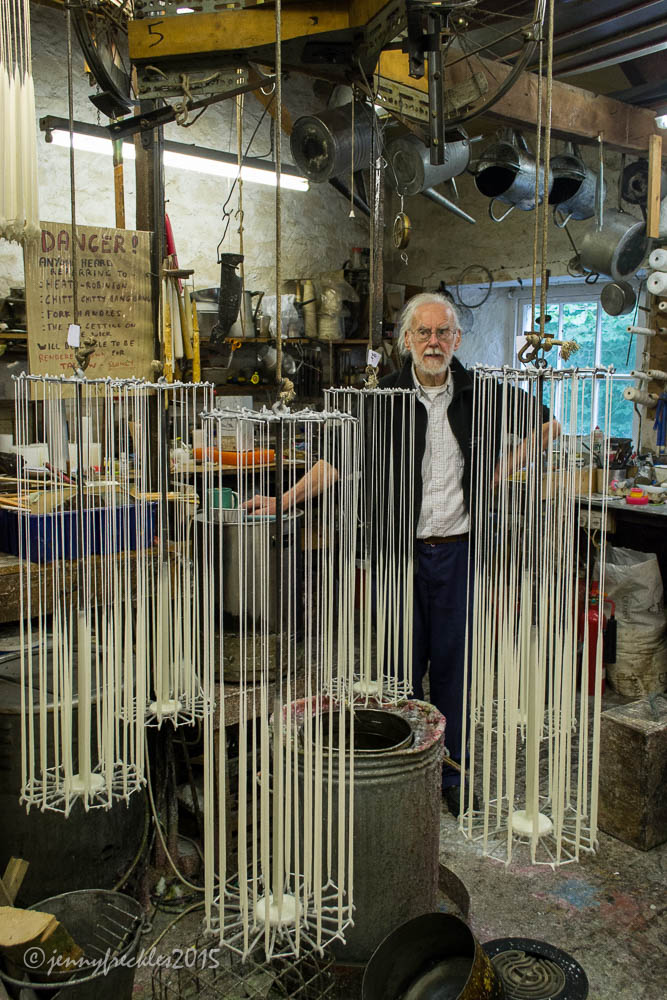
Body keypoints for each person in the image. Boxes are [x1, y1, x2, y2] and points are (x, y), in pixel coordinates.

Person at [246, 291, 554, 816]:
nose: (433, 342)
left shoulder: (480, 393)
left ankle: (452, 779)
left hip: (458, 554)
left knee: (456, 670)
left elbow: (546, 423)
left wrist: (500, 473)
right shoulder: (382, 396)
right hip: (399, 557)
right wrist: (282, 499)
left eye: (443, 333)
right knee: (400, 670)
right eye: (423, 333)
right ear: (406, 340)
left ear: (457, 340)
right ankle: (404, 774)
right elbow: (335, 463)